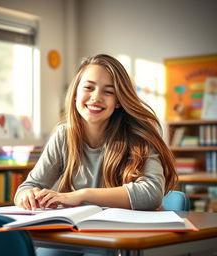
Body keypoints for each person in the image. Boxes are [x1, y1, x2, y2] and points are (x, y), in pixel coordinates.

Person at [14, 54, 177, 255]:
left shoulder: (137, 136)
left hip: (118, 234)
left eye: (108, 91)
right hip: (73, 231)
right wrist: (27, 196)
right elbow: (27, 187)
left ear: (118, 101)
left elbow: (151, 193)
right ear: (75, 93)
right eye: (88, 87)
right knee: (46, 252)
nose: (96, 97)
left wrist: (81, 195)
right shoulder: (63, 135)